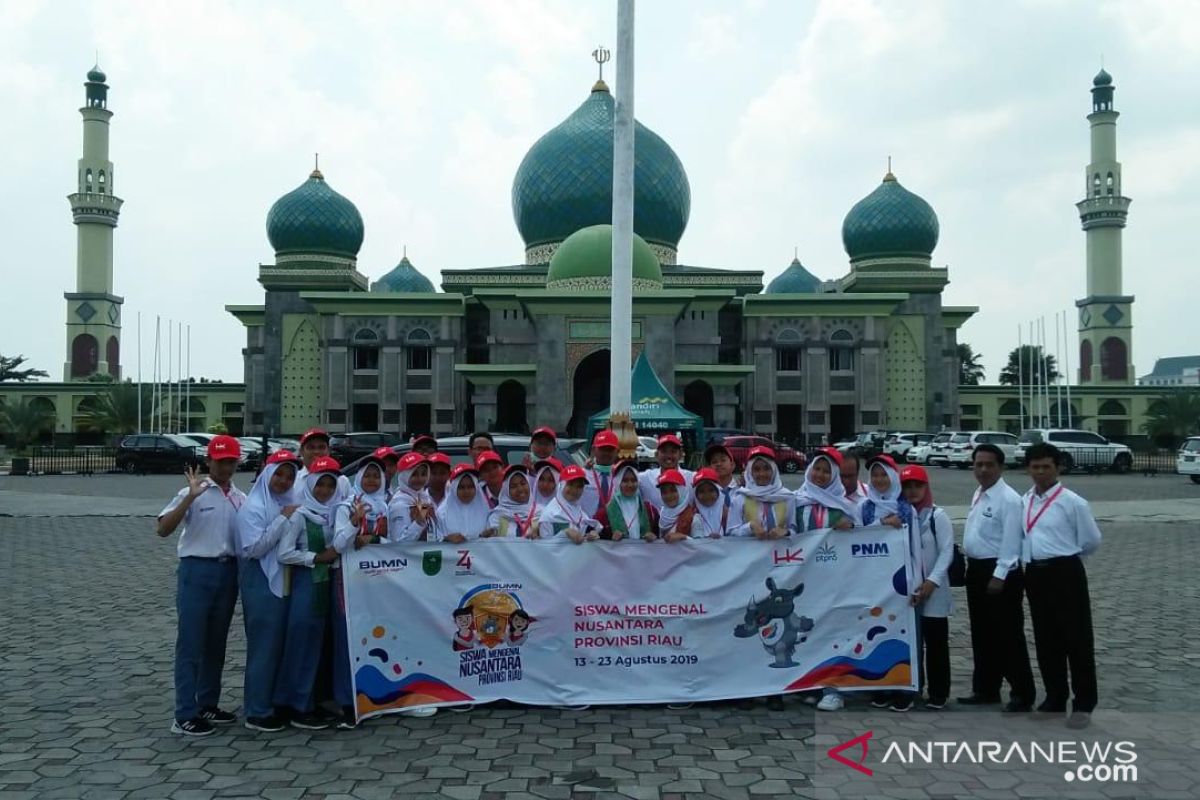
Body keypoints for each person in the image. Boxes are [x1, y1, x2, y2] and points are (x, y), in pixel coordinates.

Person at [156, 435, 246, 736]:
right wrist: (190, 498)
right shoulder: (192, 492)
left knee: (215, 644)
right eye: (220, 461)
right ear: (209, 461)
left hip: (228, 572)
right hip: (197, 571)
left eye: (231, 461)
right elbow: (163, 529)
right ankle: (184, 713)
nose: (225, 467)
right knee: (191, 644)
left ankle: (207, 702)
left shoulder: (240, 498)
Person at [1020, 442, 1101, 730]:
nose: (1040, 472)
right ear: (1028, 468)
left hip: (1065, 572)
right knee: (1046, 639)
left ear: (1058, 468)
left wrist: (1065, 557)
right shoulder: (1026, 499)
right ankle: (1054, 698)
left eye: (1046, 467)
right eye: (1035, 467)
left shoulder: (1072, 502)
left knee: (1076, 639)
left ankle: (1083, 704)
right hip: (1035, 573)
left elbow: (1091, 540)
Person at [958, 443, 1036, 713]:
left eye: (989, 464)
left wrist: (1000, 575)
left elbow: (1012, 542)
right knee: (982, 633)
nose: (983, 469)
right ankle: (986, 689)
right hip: (976, 569)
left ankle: (1022, 693)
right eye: (978, 464)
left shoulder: (1010, 499)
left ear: (1001, 467)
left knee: (1007, 634)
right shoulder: (980, 493)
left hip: (1000, 573)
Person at [274, 456, 342, 730]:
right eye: (320, 485)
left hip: (323, 585)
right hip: (306, 584)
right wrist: (316, 558)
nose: (324, 491)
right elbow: (285, 553)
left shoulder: (332, 513)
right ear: (310, 485)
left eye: (329, 486)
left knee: (315, 647)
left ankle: (308, 700)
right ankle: (294, 706)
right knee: (300, 645)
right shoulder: (300, 515)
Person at [236, 449, 301, 733]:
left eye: (289, 477)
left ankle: (273, 702)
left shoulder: (286, 503)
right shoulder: (254, 507)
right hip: (261, 578)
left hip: (283, 578)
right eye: (279, 475)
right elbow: (253, 548)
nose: (284, 481)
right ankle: (257, 710)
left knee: (278, 646)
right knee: (263, 646)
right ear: (266, 475)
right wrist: (282, 520)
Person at [330, 457, 389, 729]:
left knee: (376, 637)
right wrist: (355, 523)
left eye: (377, 477)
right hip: (350, 581)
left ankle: (377, 696)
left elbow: (396, 543)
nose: (372, 481)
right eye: (368, 476)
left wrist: (375, 540)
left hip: (380, 582)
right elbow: (340, 543)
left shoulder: (385, 506)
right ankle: (346, 701)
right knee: (349, 639)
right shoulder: (345, 506)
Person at [893, 465, 954, 713]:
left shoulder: (937, 516)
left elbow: (947, 551)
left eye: (917, 486)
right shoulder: (900, 517)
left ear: (926, 487)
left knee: (936, 642)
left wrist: (932, 581)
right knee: (912, 644)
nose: (912, 491)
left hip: (934, 590)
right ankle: (912, 688)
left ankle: (939, 692)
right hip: (909, 591)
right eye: (907, 486)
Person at [728, 446, 794, 540]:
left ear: (774, 470)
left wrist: (786, 532)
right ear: (750, 472)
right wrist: (749, 527)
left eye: (767, 469)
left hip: (780, 553)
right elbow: (731, 533)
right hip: (750, 554)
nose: (762, 474)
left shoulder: (787, 497)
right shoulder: (740, 498)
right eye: (757, 469)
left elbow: (796, 530)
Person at [794, 448, 858, 532]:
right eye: (817, 469)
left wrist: (850, 526)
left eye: (826, 472)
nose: (820, 475)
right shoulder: (795, 499)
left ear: (834, 475)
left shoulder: (844, 505)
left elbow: (858, 534)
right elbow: (789, 529)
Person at [535, 464, 602, 543]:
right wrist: (564, 533)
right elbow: (545, 548)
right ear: (561, 485)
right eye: (570, 485)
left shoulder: (581, 514)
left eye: (579, 486)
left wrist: (593, 535)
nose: (574, 490)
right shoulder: (550, 515)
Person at [597, 461, 658, 541]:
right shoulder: (604, 513)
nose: (630, 485)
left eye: (633, 480)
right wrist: (610, 537)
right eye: (625, 481)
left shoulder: (650, 510)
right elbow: (596, 538)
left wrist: (653, 537)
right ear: (618, 482)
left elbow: (660, 535)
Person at [436, 465, 493, 542]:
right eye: (461, 487)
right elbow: (434, 539)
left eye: (470, 487)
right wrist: (447, 538)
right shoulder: (442, 512)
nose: (466, 491)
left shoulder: (486, 510)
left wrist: (485, 536)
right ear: (454, 488)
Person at [386, 453, 435, 541]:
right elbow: (399, 542)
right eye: (414, 474)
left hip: (426, 553)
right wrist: (419, 522)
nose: (420, 479)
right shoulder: (399, 505)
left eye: (423, 474)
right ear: (405, 475)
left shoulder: (425, 498)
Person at [639, 434, 696, 509]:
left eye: (673, 451)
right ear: (656, 455)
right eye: (664, 451)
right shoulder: (644, 478)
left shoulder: (693, 478)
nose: (668, 456)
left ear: (680, 454)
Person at [297, 428, 352, 501]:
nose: (316, 452)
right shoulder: (293, 480)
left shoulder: (342, 481)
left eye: (321, 447)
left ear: (328, 451)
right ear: (301, 451)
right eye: (311, 447)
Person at [487, 466, 536, 538]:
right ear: (506, 490)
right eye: (514, 486)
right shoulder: (497, 516)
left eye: (523, 483)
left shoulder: (539, 512)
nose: (520, 489)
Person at [581, 430, 620, 517]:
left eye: (610, 449)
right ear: (593, 449)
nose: (606, 453)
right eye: (602, 449)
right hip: (587, 526)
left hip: (615, 528)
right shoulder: (582, 475)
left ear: (617, 452)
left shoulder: (622, 477)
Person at [689, 468, 731, 539]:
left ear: (718, 491)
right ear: (695, 494)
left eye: (711, 490)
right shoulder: (691, 515)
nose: (707, 495)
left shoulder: (727, 512)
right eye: (701, 491)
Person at [656, 469, 693, 543]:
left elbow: (702, 547)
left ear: (682, 490)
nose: (668, 495)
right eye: (664, 492)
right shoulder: (662, 514)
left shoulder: (694, 517)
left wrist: (683, 537)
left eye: (673, 490)